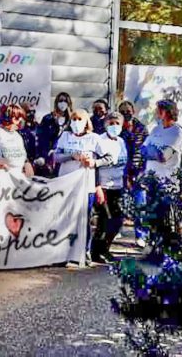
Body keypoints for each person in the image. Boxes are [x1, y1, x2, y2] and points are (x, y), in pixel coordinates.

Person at [53, 109, 112, 264]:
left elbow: (109, 158)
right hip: (66, 184)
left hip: (86, 186)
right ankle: (63, 253)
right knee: (65, 219)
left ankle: (84, 251)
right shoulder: (65, 136)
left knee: (84, 219)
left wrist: (94, 162)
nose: (76, 122)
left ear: (86, 122)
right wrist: (71, 156)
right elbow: (56, 157)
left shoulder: (94, 138)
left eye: (80, 119)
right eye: (74, 119)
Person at [136, 100, 182, 248]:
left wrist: (153, 152)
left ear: (166, 112)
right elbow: (143, 150)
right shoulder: (155, 130)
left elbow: (164, 156)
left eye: (159, 110)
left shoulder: (177, 132)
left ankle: (172, 249)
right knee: (153, 217)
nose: (156, 113)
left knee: (167, 218)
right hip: (152, 181)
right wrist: (154, 153)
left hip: (168, 182)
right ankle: (155, 247)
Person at [92, 112, 127, 263]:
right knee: (105, 220)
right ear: (106, 124)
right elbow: (94, 165)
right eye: (111, 123)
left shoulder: (121, 141)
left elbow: (124, 162)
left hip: (118, 186)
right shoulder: (99, 141)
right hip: (103, 186)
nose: (114, 126)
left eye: (117, 123)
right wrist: (97, 185)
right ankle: (95, 252)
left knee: (118, 221)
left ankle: (105, 249)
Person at [36, 92, 72, 177]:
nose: (63, 103)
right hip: (48, 155)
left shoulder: (71, 120)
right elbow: (40, 138)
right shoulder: (48, 118)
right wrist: (40, 155)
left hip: (64, 156)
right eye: (60, 100)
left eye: (65, 101)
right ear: (56, 102)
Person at [118, 100, 148, 189]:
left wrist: (142, 170)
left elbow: (146, 149)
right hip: (122, 170)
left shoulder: (141, 128)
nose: (125, 114)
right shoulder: (117, 129)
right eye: (122, 112)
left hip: (139, 169)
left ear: (133, 112)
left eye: (128, 111)